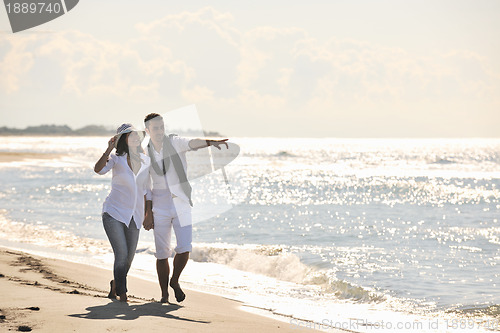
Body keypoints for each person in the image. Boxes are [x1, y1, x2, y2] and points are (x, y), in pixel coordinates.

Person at [142, 113, 228, 303]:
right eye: (155, 128)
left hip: (181, 203)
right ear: (147, 130)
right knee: (162, 253)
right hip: (160, 206)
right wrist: (147, 213)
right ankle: (164, 295)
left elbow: (192, 142)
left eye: (161, 127)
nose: (159, 131)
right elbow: (145, 186)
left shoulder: (175, 142)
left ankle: (175, 280)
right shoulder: (145, 153)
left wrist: (210, 142)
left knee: (185, 247)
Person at [94, 123, 151, 302]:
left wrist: (149, 213)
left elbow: (147, 189)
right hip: (114, 213)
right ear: (123, 140)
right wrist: (108, 149)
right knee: (121, 254)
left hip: (136, 215)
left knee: (129, 259)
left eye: (136, 135)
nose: (134, 138)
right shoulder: (116, 158)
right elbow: (98, 170)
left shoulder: (145, 160)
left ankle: (115, 285)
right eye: (129, 135)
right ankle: (123, 295)